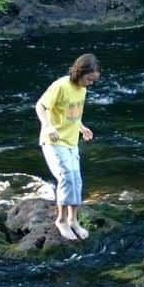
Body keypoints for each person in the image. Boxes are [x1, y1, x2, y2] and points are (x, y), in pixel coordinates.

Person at [35, 52, 100, 241]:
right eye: (89, 78)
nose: (91, 83)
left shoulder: (82, 89)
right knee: (66, 177)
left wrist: (82, 127)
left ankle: (73, 220)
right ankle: (61, 220)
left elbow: (73, 114)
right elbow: (40, 106)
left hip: (71, 141)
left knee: (77, 179)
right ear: (80, 72)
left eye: (93, 80)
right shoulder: (60, 86)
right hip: (54, 142)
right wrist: (48, 126)